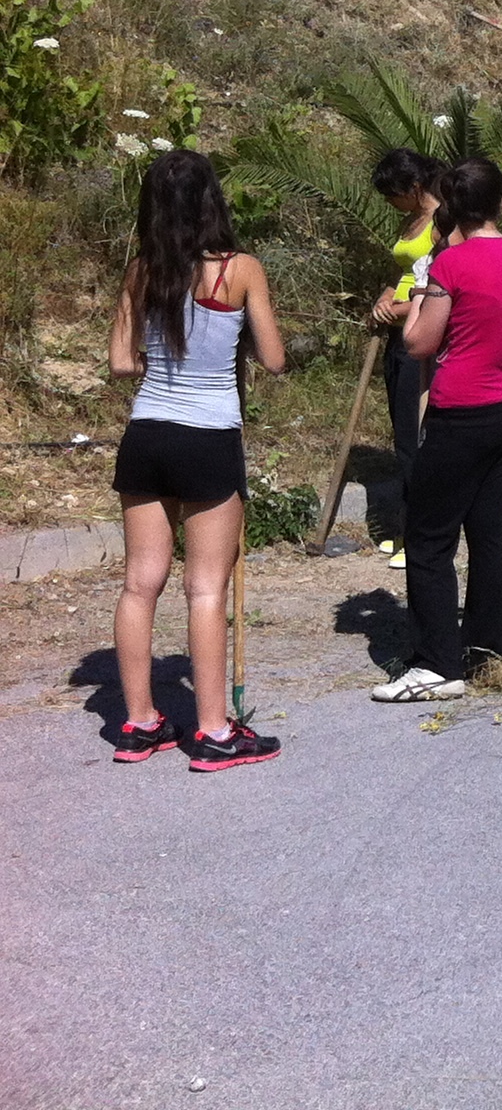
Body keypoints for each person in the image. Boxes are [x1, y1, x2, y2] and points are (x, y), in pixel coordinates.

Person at [105, 150, 287, 770]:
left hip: (147, 431)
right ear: (212, 201)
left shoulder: (142, 271)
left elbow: (123, 363)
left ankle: (138, 722)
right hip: (207, 434)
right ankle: (212, 731)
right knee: (204, 586)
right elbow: (274, 358)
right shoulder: (237, 270)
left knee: (139, 583)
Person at [371, 157, 502, 703]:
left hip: (460, 413)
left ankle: (437, 664)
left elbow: (418, 342)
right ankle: (489, 647)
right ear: (501, 203)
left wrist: (421, 291)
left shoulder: (450, 265)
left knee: (427, 541)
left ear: (450, 207)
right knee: (489, 533)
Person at [366, 148, 443, 570]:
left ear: (414, 188)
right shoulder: (410, 221)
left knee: (416, 440)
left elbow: (435, 285)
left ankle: (416, 535)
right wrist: (384, 298)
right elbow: (406, 274)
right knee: (401, 438)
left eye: (394, 194)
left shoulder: (441, 224)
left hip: (419, 337)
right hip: (396, 335)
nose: (391, 203)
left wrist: (400, 309)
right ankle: (401, 528)